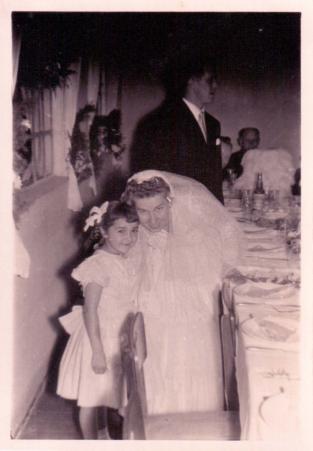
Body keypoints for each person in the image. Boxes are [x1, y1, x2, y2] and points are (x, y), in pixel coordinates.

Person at [122, 170, 242, 414]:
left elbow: (211, 275)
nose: (152, 220)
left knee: (186, 348)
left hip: (188, 307)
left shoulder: (195, 235)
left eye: (159, 209)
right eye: (143, 212)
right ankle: (152, 415)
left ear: (170, 203)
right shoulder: (131, 236)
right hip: (151, 307)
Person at [56, 201, 141, 439]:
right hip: (99, 339)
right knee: (91, 399)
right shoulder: (97, 265)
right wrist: (97, 351)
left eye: (134, 230)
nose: (129, 237)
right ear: (104, 231)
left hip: (116, 335)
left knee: (106, 392)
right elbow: (90, 311)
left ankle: (103, 437)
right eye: (121, 230)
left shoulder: (120, 258)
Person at [130, 52, 224, 203]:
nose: (215, 85)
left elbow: (215, 178)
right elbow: (152, 177)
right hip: (178, 209)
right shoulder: (161, 121)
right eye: (210, 80)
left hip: (208, 209)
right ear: (191, 80)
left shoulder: (213, 124)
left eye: (216, 80)